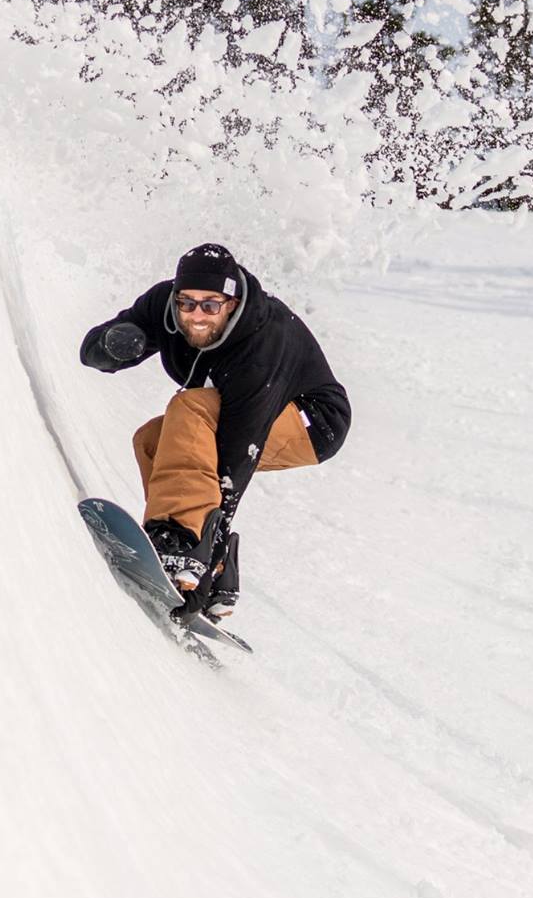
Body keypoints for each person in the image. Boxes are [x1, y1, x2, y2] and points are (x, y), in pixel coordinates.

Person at [80, 241, 350, 618]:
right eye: (187, 303)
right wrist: (110, 347)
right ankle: (177, 539)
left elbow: (236, 458)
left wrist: (205, 555)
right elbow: (91, 351)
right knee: (153, 441)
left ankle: (185, 546)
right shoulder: (164, 306)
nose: (196, 315)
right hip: (240, 414)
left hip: (312, 420)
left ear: (232, 304)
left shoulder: (261, 343)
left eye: (210, 306)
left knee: (190, 409)